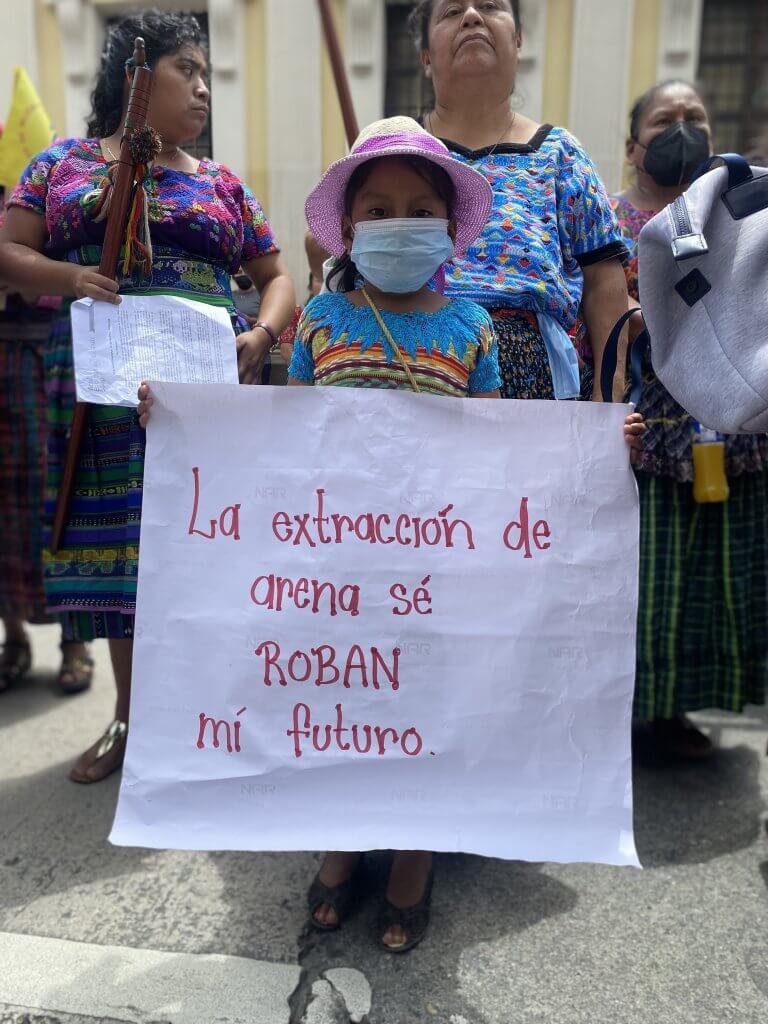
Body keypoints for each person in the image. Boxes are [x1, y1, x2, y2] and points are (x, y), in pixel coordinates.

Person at [136, 116, 642, 954]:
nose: (398, 221)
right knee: (344, 703)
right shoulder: (325, 320)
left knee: (425, 700)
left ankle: (415, 854)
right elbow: (284, 433)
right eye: (378, 209)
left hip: (434, 571)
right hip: (335, 568)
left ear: (447, 227)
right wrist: (188, 425)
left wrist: (591, 454)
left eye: (417, 208)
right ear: (348, 227)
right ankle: (343, 836)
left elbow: (501, 446)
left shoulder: (472, 326)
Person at [0, 10, 295, 780]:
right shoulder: (63, 165)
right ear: (136, 77)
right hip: (102, 390)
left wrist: (261, 337)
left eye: (205, 73)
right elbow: (7, 248)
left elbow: (277, 277)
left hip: (205, 393)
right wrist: (71, 278)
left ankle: (216, 718)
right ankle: (131, 720)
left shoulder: (221, 183)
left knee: (206, 546)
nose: (202, 87)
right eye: (186, 70)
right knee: (120, 554)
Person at [614, 80, 768, 757]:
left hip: (731, 430)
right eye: (666, 120)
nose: (683, 129)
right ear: (632, 147)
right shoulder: (612, 224)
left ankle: (674, 712)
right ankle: (625, 710)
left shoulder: (736, 216)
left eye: (694, 118)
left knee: (710, 580)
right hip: (650, 438)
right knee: (647, 580)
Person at [409, 0, 632, 402]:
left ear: (518, 42)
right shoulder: (398, 152)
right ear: (426, 57)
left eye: (491, 6)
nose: (472, 16)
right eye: (451, 11)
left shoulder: (560, 154)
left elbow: (603, 282)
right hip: (414, 371)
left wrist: (607, 396)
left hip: (534, 388)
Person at [0, 192, 93, 694]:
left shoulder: (41, 204)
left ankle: (72, 642)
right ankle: (12, 638)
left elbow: (60, 277)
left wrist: (23, 275)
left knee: (53, 492)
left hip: (43, 362)